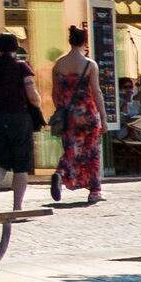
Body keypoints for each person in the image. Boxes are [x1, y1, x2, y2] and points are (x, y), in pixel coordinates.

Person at [44, 27, 102, 205]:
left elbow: (55, 93)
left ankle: (60, 173)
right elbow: (96, 92)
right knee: (91, 151)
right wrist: (104, 117)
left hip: (68, 114)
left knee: (71, 149)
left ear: (70, 41)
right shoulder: (90, 64)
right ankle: (94, 191)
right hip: (87, 112)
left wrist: (60, 109)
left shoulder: (59, 65)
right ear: (85, 42)